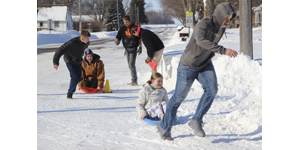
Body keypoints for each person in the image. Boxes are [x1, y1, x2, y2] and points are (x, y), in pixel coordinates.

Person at [156, 2, 238, 141]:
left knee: (212, 90)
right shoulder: (204, 24)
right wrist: (223, 50)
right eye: (225, 18)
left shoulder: (221, 27)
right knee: (178, 98)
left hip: (205, 63)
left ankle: (196, 121)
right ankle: (164, 128)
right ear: (219, 15)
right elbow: (200, 41)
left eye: (229, 19)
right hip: (188, 65)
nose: (227, 21)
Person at [53, 30, 91, 99]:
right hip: (70, 61)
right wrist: (56, 62)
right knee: (74, 78)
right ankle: (70, 93)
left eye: (89, 39)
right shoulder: (72, 43)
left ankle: (75, 83)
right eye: (87, 39)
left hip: (78, 61)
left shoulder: (86, 43)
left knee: (79, 78)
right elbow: (59, 51)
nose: (89, 41)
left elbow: (82, 51)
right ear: (82, 38)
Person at [115, 15, 142, 86]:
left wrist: (140, 46)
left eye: (126, 22)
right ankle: (133, 80)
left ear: (129, 21)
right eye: (124, 22)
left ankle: (134, 81)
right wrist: (117, 40)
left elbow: (139, 38)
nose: (125, 23)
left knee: (131, 64)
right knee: (129, 65)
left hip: (133, 48)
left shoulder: (134, 28)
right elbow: (119, 35)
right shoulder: (123, 28)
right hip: (126, 48)